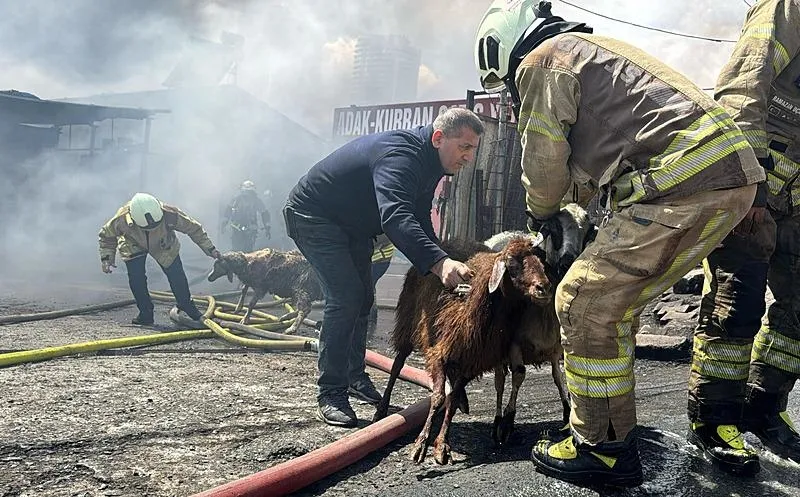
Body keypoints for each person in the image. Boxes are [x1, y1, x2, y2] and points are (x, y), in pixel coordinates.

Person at [474, 0, 764, 487]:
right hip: (729, 179)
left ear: (502, 52)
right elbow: (595, 168)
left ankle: (601, 448)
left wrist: (540, 214)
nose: (511, 94)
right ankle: (612, 433)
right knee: (612, 307)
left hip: (682, 185)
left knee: (584, 302)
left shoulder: (541, 62)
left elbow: (544, 164)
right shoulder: (591, 54)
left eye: (505, 86)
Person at [284, 107, 483, 428]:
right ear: (438, 138)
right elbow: (396, 216)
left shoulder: (432, 163)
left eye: (472, 150)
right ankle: (330, 391)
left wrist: (440, 257)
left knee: (363, 298)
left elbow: (419, 215)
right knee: (346, 297)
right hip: (314, 217)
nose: (469, 158)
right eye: (465, 147)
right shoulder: (401, 156)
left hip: (352, 226)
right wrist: (438, 262)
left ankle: (354, 376)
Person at [687, 0, 800, 475]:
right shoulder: (789, 8)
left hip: (796, 198)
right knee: (737, 302)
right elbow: (743, 88)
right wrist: (749, 183)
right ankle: (713, 418)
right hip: (755, 188)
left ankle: (762, 405)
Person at [99, 193, 221, 325]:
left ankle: (187, 306)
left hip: (164, 244)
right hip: (133, 244)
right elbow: (106, 236)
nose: (151, 229)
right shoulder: (122, 219)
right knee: (136, 279)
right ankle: (145, 314)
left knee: (176, 274)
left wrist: (210, 249)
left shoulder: (170, 215)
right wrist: (107, 259)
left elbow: (194, 229)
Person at [222, 180, 271, 253]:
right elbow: (228, 210)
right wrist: (224, 223)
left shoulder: (256, 200)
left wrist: (267, 226)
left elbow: (264, 213)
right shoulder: (237, 199)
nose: (247, 195)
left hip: (250, 230)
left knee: (248, 250)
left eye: (249, 192)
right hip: (237, 227)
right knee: (236, 249)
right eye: (246, 192)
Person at [367, 233, 395, 337]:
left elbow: (381, 236)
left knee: (366, 288)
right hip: (376, 258)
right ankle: (369, 320)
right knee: (368, 287)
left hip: (378, 259)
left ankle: (369, 321)